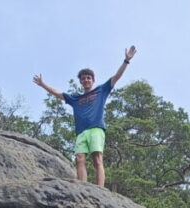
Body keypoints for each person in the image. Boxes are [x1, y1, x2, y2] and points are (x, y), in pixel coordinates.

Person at [33, 47, 136, 188]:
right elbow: (57, 93)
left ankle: (100, 190)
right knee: (79, 158)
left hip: (96, 129)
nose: (86, 80)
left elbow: (117, 76)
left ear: (93, 80)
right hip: (81, 132)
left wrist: (126, 60)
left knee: (97, 159)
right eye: (83, 79)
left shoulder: (101, 90)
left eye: (88, 78)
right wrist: (43, 84)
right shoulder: (75, 98)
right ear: (81, 82)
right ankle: (83, 188)